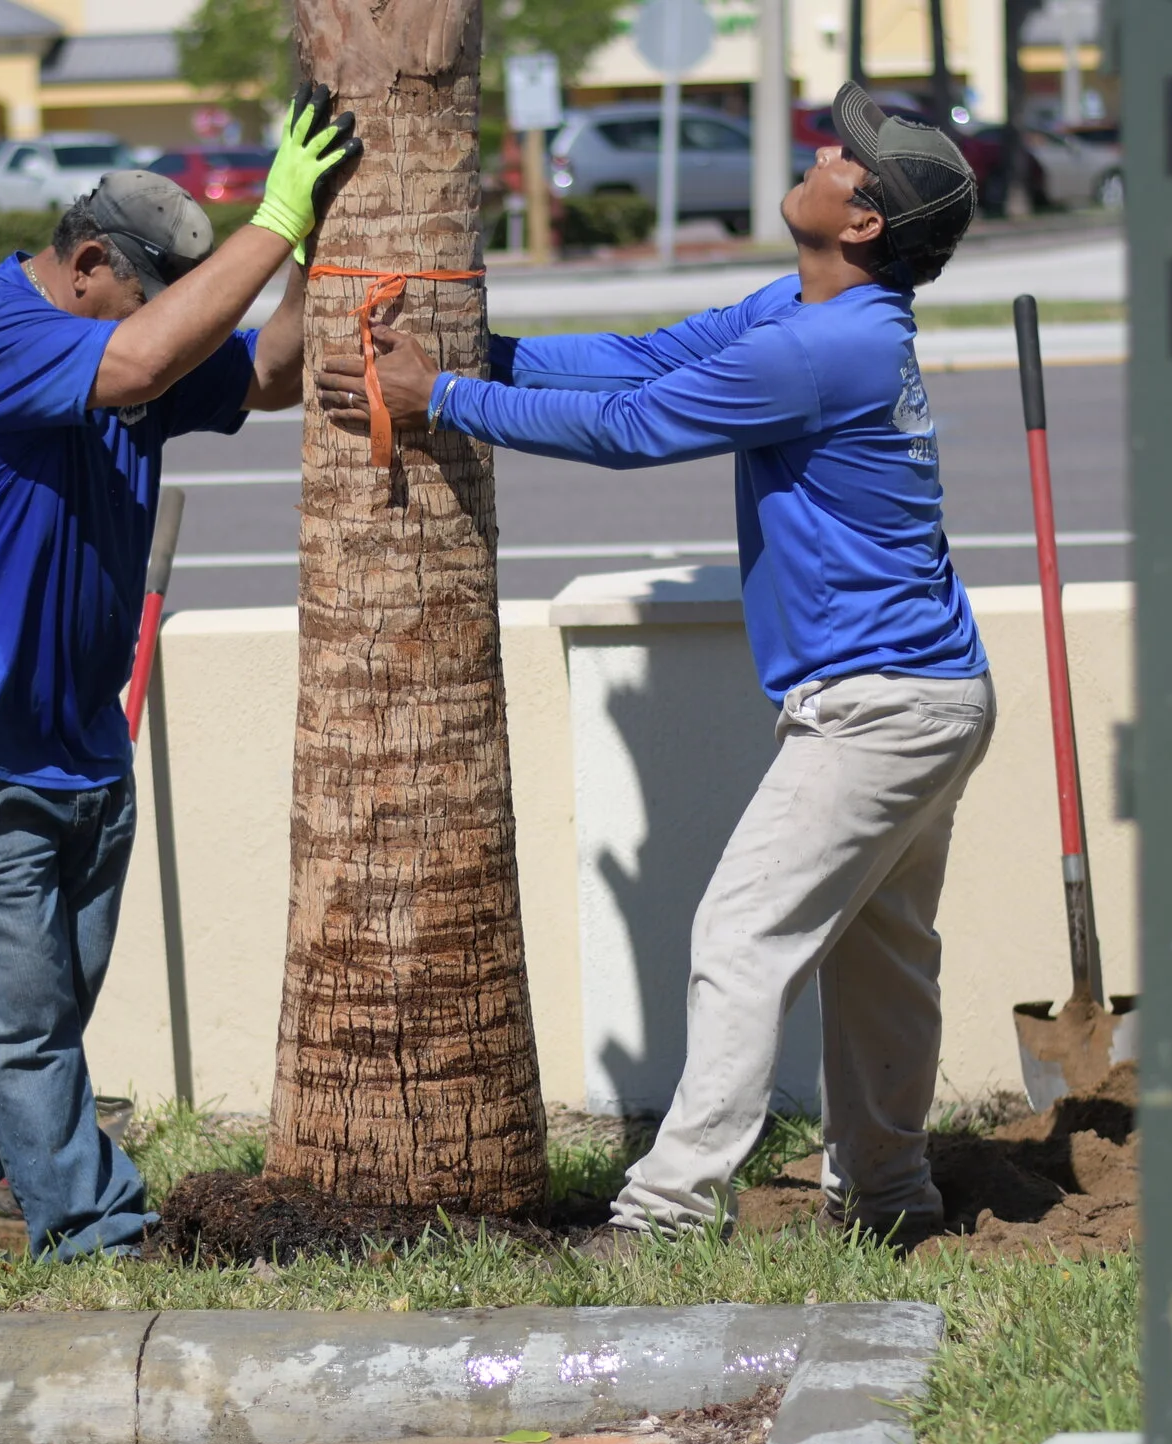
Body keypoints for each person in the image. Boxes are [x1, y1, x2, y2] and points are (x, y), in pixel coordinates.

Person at [317, 86, 989, 1247]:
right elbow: (639, 358)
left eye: (846, 158)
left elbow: (635, 427)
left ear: (866, 220)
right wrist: (483, 356)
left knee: (741, 936)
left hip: (881, 707)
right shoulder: (810, 309)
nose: (823, 153)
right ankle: (890, 1195)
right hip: (930, 694)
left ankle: (667, 1211)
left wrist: (448, 396)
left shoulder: (821, 349)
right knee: (883, 963)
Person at [0, 89, 358, 1260]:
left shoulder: (126, 341)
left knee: (36, 1003)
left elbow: (268, 375)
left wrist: (305, 245)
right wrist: (267, 215)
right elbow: (137, 363)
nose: (174, 327)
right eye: (158, 298)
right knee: (21, 1022)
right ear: (88, 263)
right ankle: (96, 1229)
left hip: (74, 734)